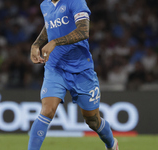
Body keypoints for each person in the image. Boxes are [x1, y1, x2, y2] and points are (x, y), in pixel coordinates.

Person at [28, 0, 119, 150]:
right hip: (55, 67)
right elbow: (50, 24)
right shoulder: (45, 5)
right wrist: (36, 44)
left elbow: (83, 31)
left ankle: (111, 144)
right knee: (47, 110)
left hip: (81, 69)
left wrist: (55, 42)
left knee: (92, 120)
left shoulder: (75, 2)